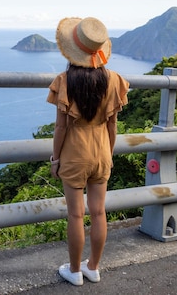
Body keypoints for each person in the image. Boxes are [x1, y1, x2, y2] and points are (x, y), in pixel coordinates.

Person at [47, 16, 129, 286]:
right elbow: (113, 126)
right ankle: (93, 267)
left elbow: (61, 128)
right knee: (98, 212)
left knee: (75, 214)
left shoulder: (65, 80)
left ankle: (74, 270)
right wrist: (109, 154)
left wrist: (55, 159)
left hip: (74, 151)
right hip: (102, 149)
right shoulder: (115, 80)